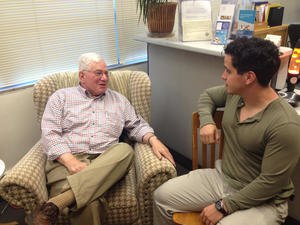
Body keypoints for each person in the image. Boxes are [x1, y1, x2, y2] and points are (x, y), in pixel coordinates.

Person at [153, 37, 300, 225]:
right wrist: (207, 122)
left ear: (249, 77)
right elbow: (207, 96)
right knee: (161, 197)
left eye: (228, 71)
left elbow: (270, 184)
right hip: (223, 178)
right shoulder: (237, 95)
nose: (223, 76)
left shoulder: (285, 125)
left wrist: (224, 206)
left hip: (265, 200)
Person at [34, 52, 175, 225]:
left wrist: (153, 140)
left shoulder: (119, 101)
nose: (104, 78)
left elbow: (137, 125)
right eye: (98, 73)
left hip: (107, 162)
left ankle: (58, 202)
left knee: (124, 150)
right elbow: (49, 133)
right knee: (90, 202)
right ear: (82, 76)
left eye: (106, 73)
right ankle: (64, 201)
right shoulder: (60, 97)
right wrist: (70, 161)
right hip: (65, 161)